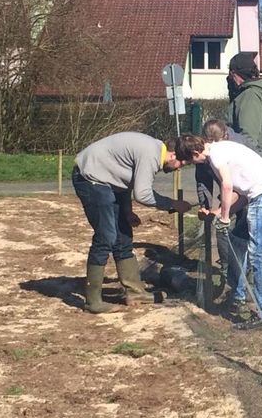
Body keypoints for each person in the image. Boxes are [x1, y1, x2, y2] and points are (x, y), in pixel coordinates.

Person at [72, 132, 191, 314]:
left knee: (123, 237)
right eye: (181, 163)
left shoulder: (154, 150)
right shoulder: (151, 153)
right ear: (173, 154)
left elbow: (126, 181)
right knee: (106, 236)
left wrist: (127, 211)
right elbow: (142, 194)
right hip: (91, 178)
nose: (180, 167)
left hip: (108, 182)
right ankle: (93, 301)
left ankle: (135, 292)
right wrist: (173, 204)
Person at [175, 133, 262, 329]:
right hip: (256, 196)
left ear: (195, 152)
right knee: (236, 241)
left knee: (258, 252)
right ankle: (238, 294)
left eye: (191, 161)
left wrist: (225, 218)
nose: (195, 165)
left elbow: (227, 187)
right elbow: (241, 196)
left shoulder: (216, 154)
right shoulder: (218, 152)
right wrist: (219, 212)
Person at [194, 119, 253, 302]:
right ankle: (230, 277)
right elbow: (203, 178)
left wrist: (222, 211)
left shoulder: (238, 145)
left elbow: (237, 188)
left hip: (248, 190)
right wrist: (205, 205)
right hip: (227, 190)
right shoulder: (204, 149)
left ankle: (247, 283)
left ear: (225, 136)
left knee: (243, 234)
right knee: (222, 231)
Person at [226, 52, 262, 156]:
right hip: (250, 154)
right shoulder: (252, 93)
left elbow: (248, 137)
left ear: (234, 74)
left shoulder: (250, 95)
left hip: (247, 156)